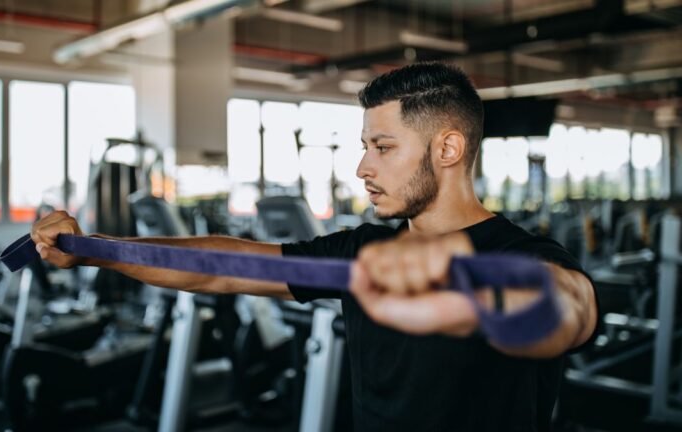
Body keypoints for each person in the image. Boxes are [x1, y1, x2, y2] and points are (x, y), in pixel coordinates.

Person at [32, 62, 597, 431]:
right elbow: (220, 270)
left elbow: (572, 309)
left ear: (448, 148)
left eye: (383, 147)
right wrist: (96, 249)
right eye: (363, 147)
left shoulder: (526, 256)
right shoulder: (361, 254)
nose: (363, 167)